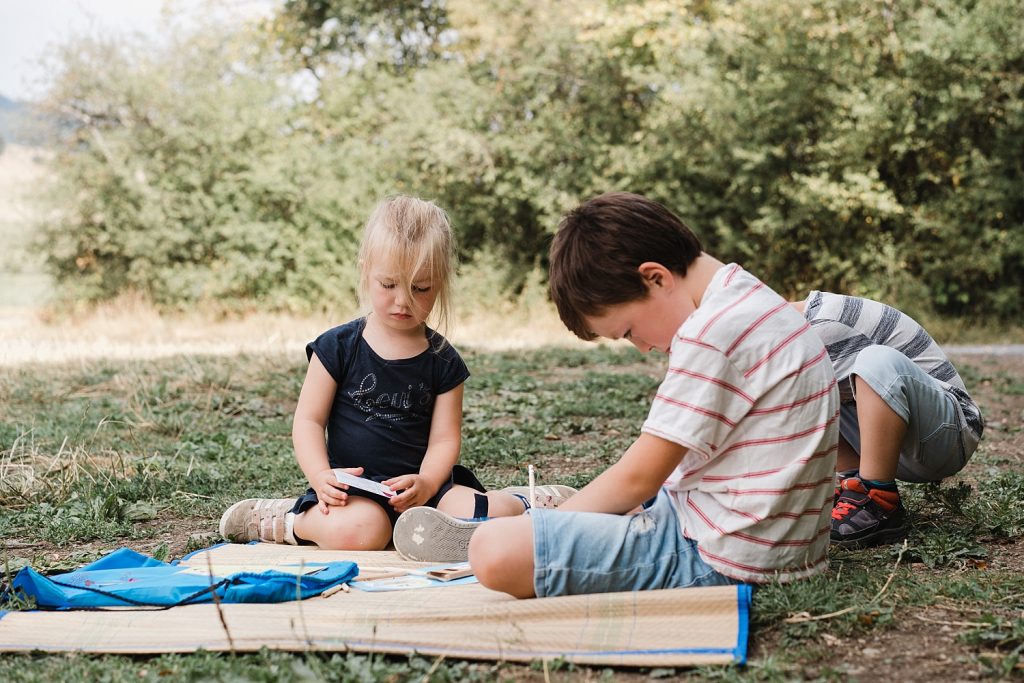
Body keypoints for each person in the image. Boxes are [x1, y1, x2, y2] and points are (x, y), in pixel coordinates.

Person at [468, 191, 840, 599]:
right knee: (592, 510)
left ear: (656, 277)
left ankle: (535, 514)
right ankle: (544, 512)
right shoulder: (751, 298)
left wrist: (548, 527)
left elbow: (639, 479)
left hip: (724, 555)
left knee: (494, 549)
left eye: (628, 331)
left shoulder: (712, 333)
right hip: (768, 540)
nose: (642, 347)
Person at [218, 196, 570, 553]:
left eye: (420, 288)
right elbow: (308, 421)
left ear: (442, 282)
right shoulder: (337, 347)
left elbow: (444, 441)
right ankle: (289, 520)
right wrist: (320, 476)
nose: (403, 301)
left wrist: (428, 483)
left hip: (426, 492)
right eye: (389, 285)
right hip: (353, 494)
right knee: (361, 532)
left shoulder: (443, 360)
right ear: (365, 271)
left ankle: (527, 503)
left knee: (477, 514)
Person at [793, 293, 985, 549]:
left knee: (875, 360)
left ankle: (878, 499)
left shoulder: (823, 325)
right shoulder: (790, 333)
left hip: (950, 435)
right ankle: (853, 489)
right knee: (803, 387)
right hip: (896, 444)